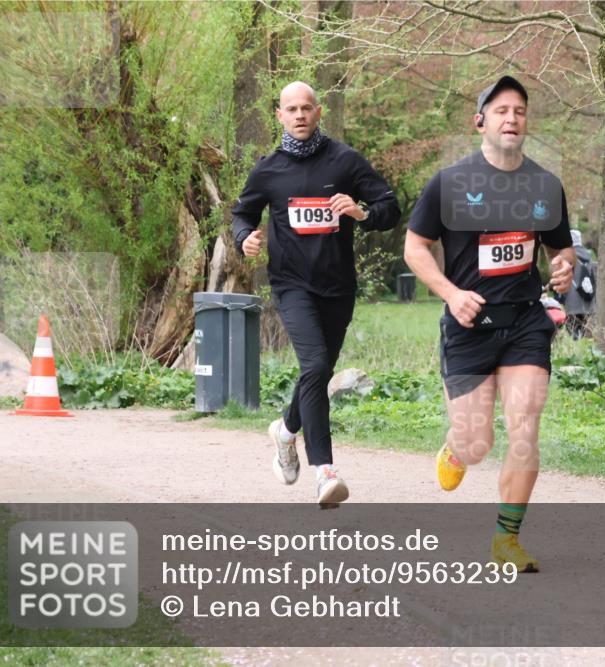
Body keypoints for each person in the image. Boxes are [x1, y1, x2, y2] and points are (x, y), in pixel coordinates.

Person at [404, 76, 575, 572]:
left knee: (525, 428)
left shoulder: (545, 185)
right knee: (477, 444)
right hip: (469, 326)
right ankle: (457, 450)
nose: (511, 119)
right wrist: (451, 294)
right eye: (500, 110)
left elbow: (558, 249)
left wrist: (564, 266)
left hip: (525, 322)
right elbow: (415, 249)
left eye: (519, 111)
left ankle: (507, 538)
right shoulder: (450, 183)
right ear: (480, 121)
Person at [232, 81, 400, 507]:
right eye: (292, 108)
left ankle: (286, 431)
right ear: (280, 115)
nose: (300, 115)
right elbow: (243, 214)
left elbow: (390, 206)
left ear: (319, 112)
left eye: (307, 107)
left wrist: (363, 213)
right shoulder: (268, 169)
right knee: (316, 364)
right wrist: (244, 239)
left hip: (338, 286)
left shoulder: (344, 161)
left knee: (317, 373)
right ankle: (324, 472)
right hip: (291, 285)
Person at [560, 229, 596, 339]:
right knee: (586, 334)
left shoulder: (566, 257)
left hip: (572, 302)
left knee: (573, 334)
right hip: (588, 301)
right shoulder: (589, 256)